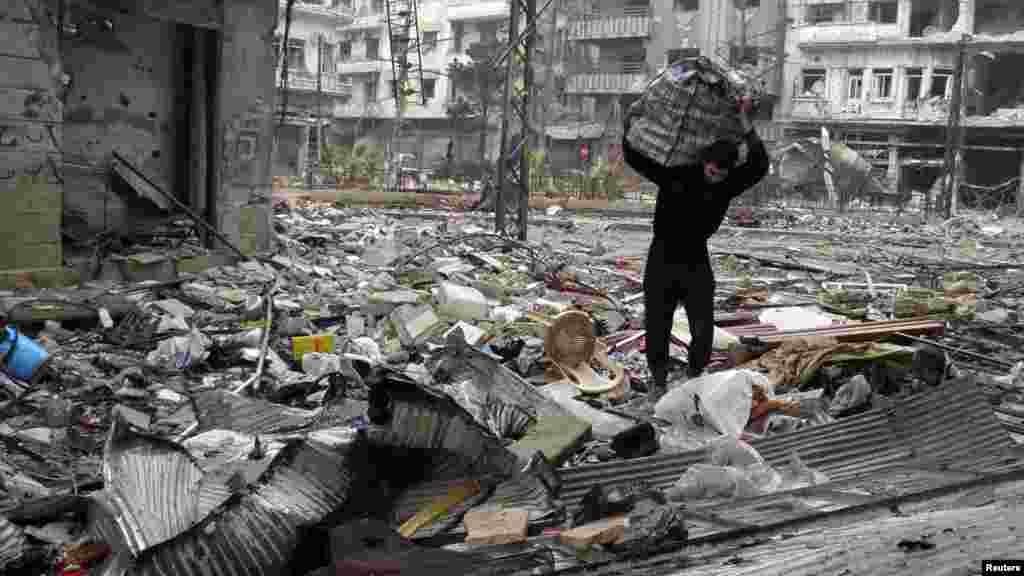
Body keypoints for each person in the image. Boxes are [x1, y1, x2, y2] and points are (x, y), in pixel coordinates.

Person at [624, 96, 769, 398]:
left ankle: (694, 376)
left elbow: (759, 165)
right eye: (713, 170)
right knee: (657, 325)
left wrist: (746, 125)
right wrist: (627, 124)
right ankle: (659, 380)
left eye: (722, 174)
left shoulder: (727, 185)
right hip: (662, 255)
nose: (716, 177)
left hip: (695, 259)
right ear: (705, 162)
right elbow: (638, 159)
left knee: (703, 327)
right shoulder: (675, 173)